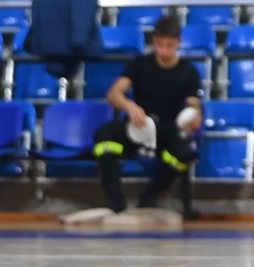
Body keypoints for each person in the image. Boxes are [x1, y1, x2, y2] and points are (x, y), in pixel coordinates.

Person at [83, 13, 202, 221]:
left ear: (179, 43)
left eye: (169, 45)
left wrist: (194, 118)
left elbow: (194, 105)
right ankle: (115, 199)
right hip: (137, 126)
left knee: (184, 154)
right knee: (104, 136)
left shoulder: (189, 71)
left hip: (167, 131)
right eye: (159, 44)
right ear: (153, 41)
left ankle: (150, 195)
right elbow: (114, 94)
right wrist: (129, 106)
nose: (164, 50)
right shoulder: (140, 64)